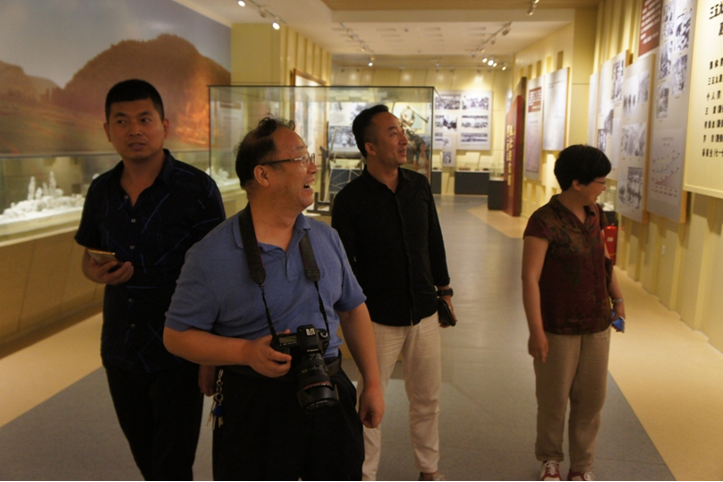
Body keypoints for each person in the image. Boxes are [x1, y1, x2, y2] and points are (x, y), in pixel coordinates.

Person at [163, 117, 385, 480]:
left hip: (328, 387)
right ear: (263, 175)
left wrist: (372, 383)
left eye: (309, 157)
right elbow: (176, 336)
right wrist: (245, 352)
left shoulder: (325, 238)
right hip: (254, 404)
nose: (312, 168)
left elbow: (352, 308)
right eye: (300, 158)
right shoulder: (211, 254)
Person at [75, 79, 225, 480]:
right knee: (146, 460)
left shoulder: (197, 189)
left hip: (179, 348)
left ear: (165, 125)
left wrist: (211, 354)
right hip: (121, 347)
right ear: (108, 130)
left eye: (144, 119)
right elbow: (88, 257)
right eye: (122, 121)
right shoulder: (101, 190)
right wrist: (97, 271)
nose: (134, 130)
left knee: (173, 465)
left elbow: (220, 273)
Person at [331, 104, 455, 481]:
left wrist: (444, 289)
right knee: (370, 399)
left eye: (402, 130)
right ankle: (365, 474)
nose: (403, 139)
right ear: (370, 147)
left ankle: (429, 470)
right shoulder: (349, 199)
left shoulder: (418, 186)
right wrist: (354, 312)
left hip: (423, 310)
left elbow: (433, 240)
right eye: (392, 133)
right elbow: (346, 266)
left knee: (427, 399)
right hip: (377, 317)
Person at [521, 145, 626, 482]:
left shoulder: (595, 213)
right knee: (553, 400)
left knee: (591, 401)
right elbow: (530, 278)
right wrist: (536, 331)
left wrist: (618, 299)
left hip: (596, 323)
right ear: (577, 183)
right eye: (600, 181)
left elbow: (604, 259)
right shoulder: (544, 221)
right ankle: (550, 459)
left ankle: (582, 466)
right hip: (558, 326)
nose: (604, 187)